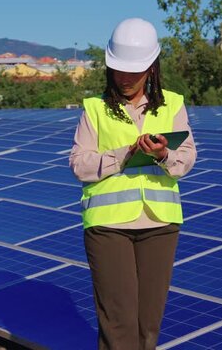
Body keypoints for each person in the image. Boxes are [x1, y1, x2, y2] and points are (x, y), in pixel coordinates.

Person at [69, 18, 196, 350]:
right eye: (119, 69)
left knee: (147, 323)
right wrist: (123, 154)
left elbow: (184, 161)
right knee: (118, 321)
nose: (125, 77)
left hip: (160, 223)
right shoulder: (94, 109)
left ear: (151, 68)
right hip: (109, 226)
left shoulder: (173, 104)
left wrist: (163, 154)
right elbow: (79, 165)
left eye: (134, 70)